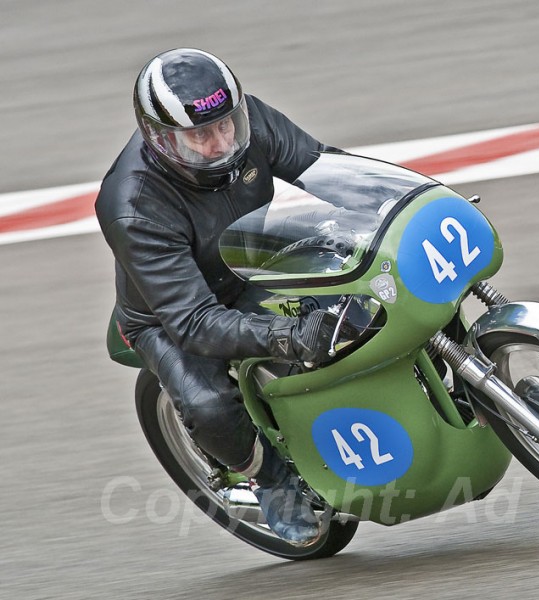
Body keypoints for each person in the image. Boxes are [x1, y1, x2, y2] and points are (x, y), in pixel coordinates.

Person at [95, 48, 344, 547]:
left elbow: (327, 169)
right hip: (174, 316)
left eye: (227, 127)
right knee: (209, 405)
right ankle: (268, 475)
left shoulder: (242, 122)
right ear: (160, 138)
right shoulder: (132, 205)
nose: (219, 144)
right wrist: (285, 335)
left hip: (251, 259)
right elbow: (194, 321)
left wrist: (401, 202)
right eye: (199, 136)